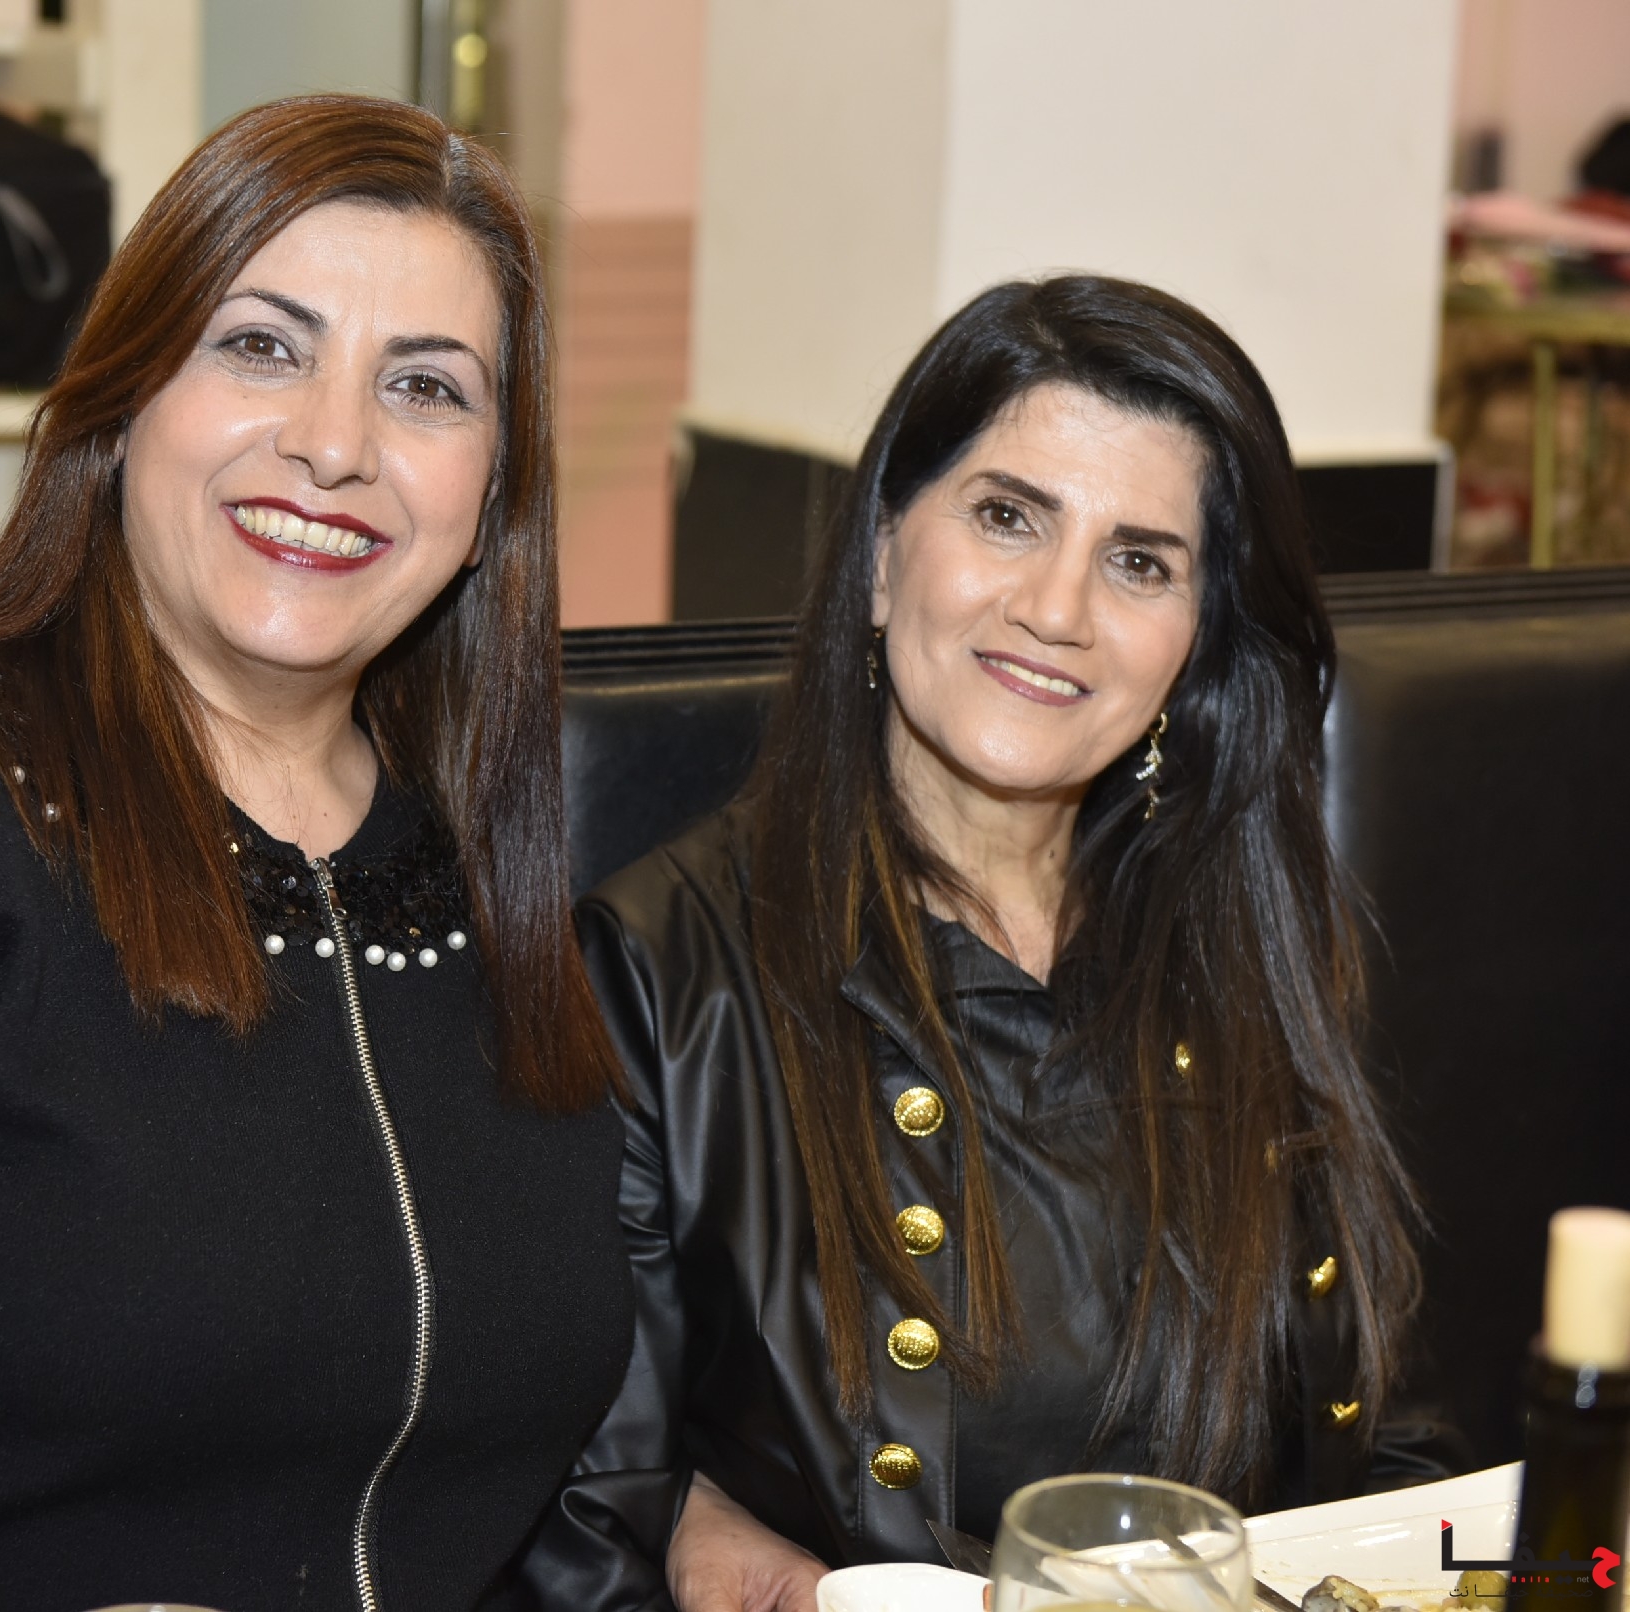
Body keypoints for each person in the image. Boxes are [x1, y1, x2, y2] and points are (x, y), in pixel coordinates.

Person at [0, 94, 633, 1612]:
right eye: (260, 346)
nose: (335, 445)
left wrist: (715, 1511)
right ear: (125, 394)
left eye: (426, 388)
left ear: (491, 499)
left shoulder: (494, 868)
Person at [519, 276, 1463, 1612]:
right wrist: (684, 1510)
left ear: (1195, 646)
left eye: (1140, 562)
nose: (1056, 608)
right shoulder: (654, 976)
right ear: (883, 553)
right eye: (1008, 516)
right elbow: (585, 1521)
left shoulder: (1244, 944)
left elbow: (1378, 1461)